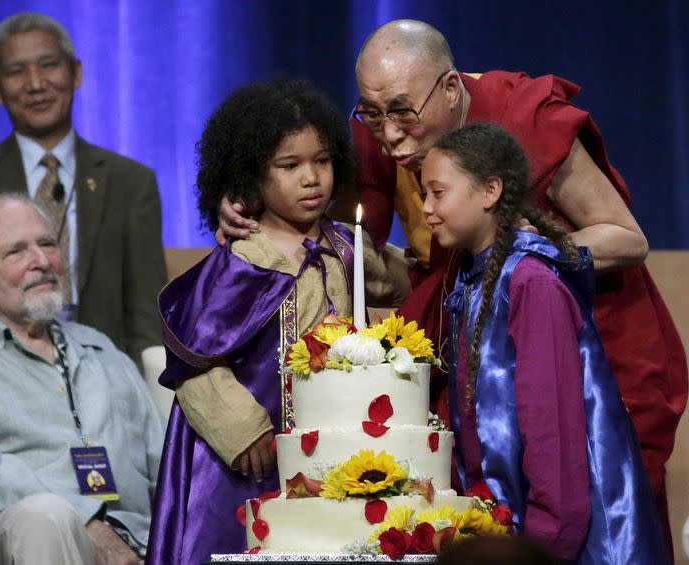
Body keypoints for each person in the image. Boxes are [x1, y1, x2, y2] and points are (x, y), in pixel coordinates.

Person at [219, 19, 687, 550]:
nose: (389, 135)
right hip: (467, 333)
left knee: (603, 511)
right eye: (372, 114)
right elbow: (350, 246)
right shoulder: (380, 133)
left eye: (402, 112)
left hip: (584, 340)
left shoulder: (524, 117)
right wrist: (251, 215)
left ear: (450, 89)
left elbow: (628, 239)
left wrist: (528, 252)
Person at [146, 80, 411, 565]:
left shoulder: (344, 247)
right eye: (289, 166)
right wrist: (244, 431)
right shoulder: (244, 261)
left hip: (330, 457)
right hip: (245, 464)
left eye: (323, 161)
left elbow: (400, 282)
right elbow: (192, 359)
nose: (312, 179)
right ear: (252, 177)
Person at [424, 123, 666, 563]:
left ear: (489, 191)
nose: (426, 208)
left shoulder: (531, 283)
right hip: (513, 534)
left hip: (565, 544)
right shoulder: (471, 281)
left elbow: (552, 435)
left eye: (437, 193)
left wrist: (542, 543)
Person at [0, 194, 166, 564]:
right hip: (7, 536)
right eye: (16, 252)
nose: (41, 262)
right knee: (45, 517)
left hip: (135, 539)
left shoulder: (98, 347)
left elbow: (164, 463)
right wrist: (82, 516)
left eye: (48, 244)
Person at [0, 11, 167, 372]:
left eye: (48, 65)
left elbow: (148, 318)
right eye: (16, 72)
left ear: (76, 73)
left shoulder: (130, 182)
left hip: (106, 379)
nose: (35, 84)